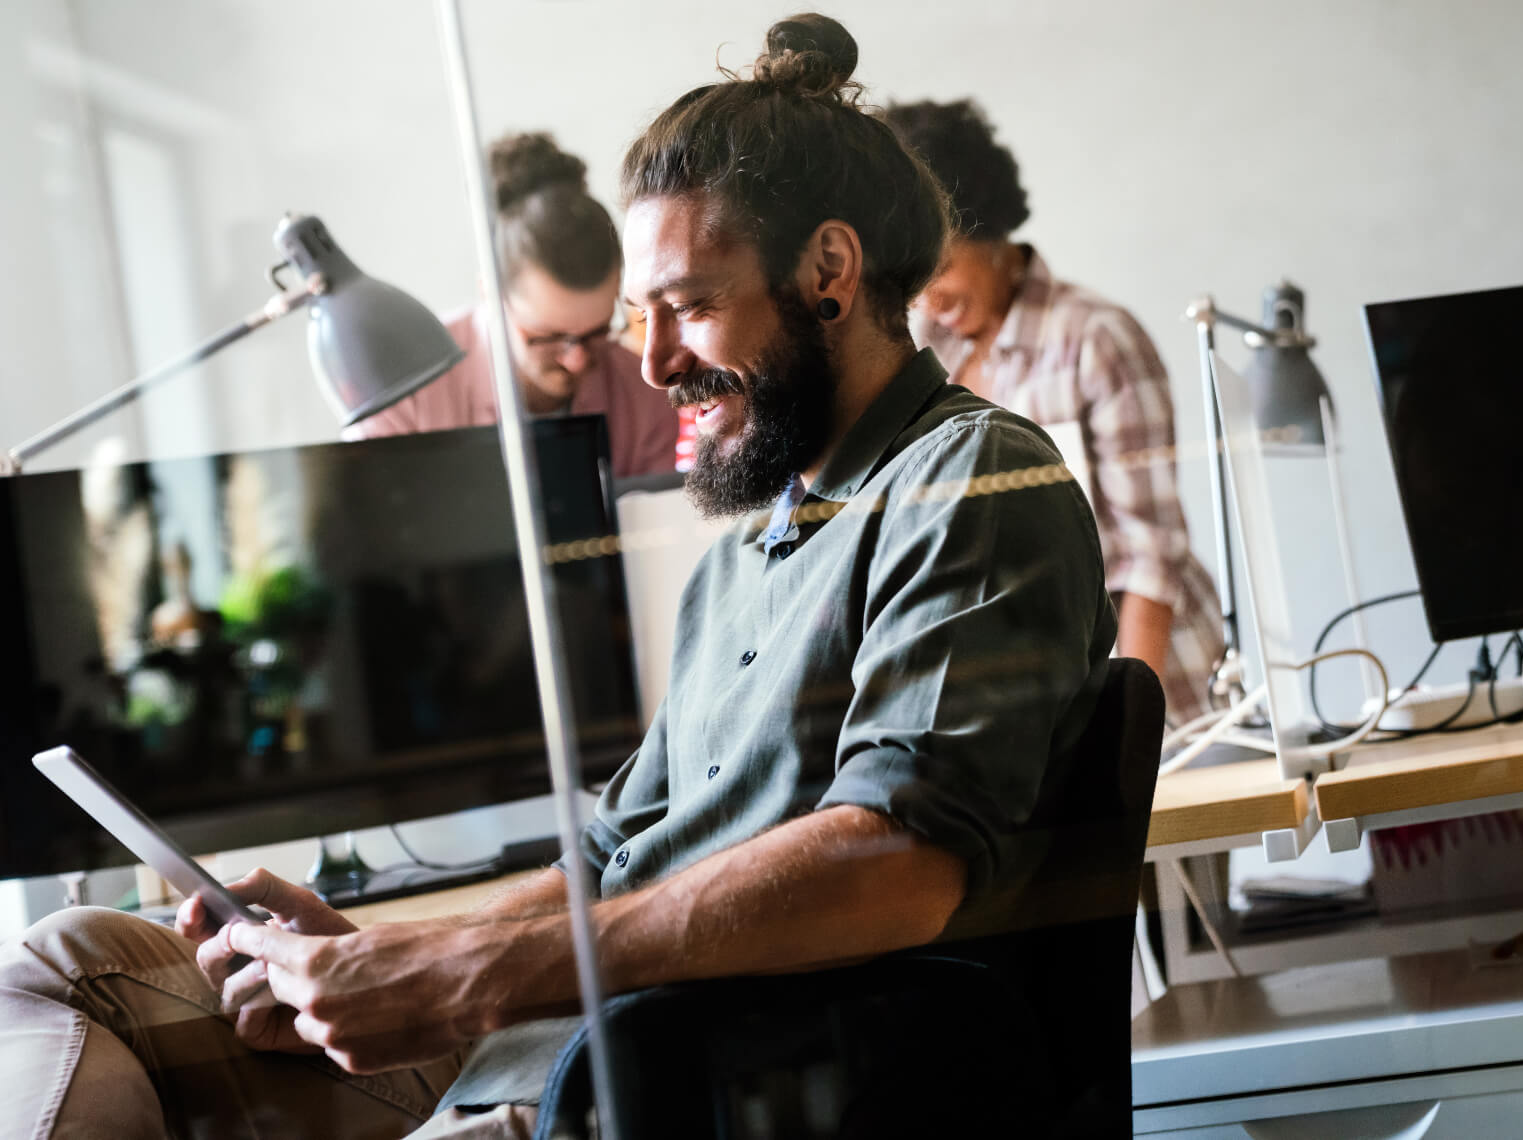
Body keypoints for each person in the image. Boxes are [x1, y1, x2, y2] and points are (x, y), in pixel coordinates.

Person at [0, 14, 1116, 1138]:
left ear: (829, 270)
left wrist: (468, 977)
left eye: (686, 305)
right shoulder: (748, 551)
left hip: (679, 1078)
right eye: (645, 315)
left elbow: (895, 864)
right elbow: (611, 855)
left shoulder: (966, 480)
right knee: (68, 957)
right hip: (556, 1042)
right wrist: (394, 951)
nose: (651, 362)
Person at [884, 99, 1224, 726]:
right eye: (910, 276)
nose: (927, 294)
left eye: (940, 265)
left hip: (1150, 683)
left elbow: (1150, 557)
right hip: (1033, 702)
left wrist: (1128, 734)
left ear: (986, 229)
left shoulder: (1095, 340)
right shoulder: (926, 355)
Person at [347, 132, 678, 480]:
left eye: (598, 332)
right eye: (548, 336)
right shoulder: (405, 390)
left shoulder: (644, 396)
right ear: (489, 294)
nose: (577, 360)